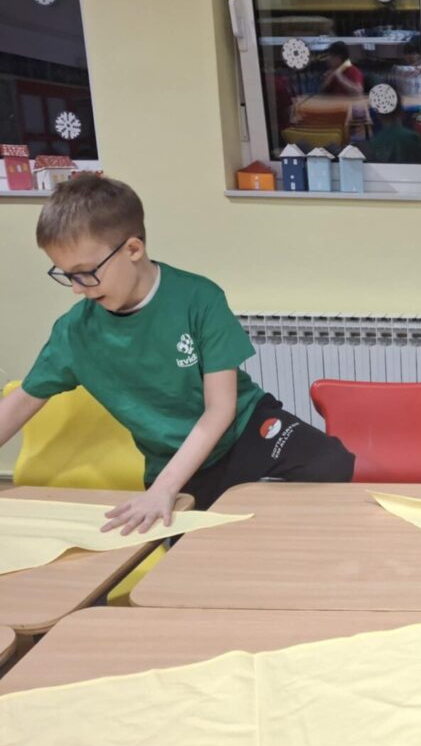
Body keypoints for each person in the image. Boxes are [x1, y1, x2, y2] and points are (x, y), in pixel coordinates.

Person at [0, 175, 355, 534]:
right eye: (67, 276)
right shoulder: (75, 332)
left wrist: (165, 488)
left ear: (133, 249)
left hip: (243, 429)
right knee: (191, 551)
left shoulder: (199, 299)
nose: (78, 289)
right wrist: (164, 488)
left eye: (86, 273)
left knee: (331, 463)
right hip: (177, 462)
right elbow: (20, 403)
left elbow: (220, 409)